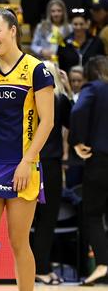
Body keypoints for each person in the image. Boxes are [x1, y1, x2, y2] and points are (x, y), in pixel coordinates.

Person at [0, 8, 55, 291]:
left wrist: (27, 161)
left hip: (23, 164)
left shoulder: (36, 69)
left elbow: (48, 121)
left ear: (12, 31)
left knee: (19, 242)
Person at [30, 61, 71, 285]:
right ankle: (42, 268)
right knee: (47, 219)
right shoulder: (60, 100)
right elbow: (73, 123)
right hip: (49, 165)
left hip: (26, 162)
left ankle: (30, 267)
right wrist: (69, 89)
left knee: (26, 221)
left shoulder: (28, 99)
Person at [69, 56, 108, 286]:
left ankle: (102, 263)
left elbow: (78, 111)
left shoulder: (93, 88)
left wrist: (76, 141)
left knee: (92, 214)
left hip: (100, 159)